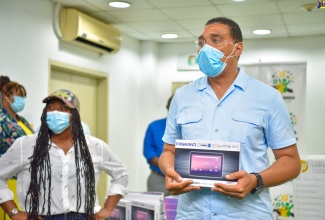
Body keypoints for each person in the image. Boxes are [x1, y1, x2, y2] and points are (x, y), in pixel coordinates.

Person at [158, 17, 301, 219]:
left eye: (216, 40)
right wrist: (170, 171)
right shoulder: (182, 96)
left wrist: (256, 180)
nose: (206, 48)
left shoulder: (267, 97)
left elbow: (291, 162)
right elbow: (168, 151)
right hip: (192, 213)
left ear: (238, 48)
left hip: (247, 213)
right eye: (201, 42)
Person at [0, 89, 128, 220]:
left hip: (85, 216)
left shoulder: (95, 146)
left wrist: (108, 208)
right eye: (50, 108)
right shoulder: (25, 145)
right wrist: (14, 212)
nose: (55, 112)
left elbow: (121, 174)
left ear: (74, 114)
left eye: (63, 108)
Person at [0, 75, 34, 219]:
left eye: (23, 96)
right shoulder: (2, 120)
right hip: (8, 181)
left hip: (26, 182)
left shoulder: (22, 120)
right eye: (18, 95)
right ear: (6, 96)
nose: (21, 100)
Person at [143, 95, 173, 196]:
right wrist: (169, 168)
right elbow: (149, 154)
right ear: (167, 106)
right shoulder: (154, 126)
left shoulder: (190, 129)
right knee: (156, 211)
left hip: (183, 180)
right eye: (173, 105)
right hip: (158, 179)